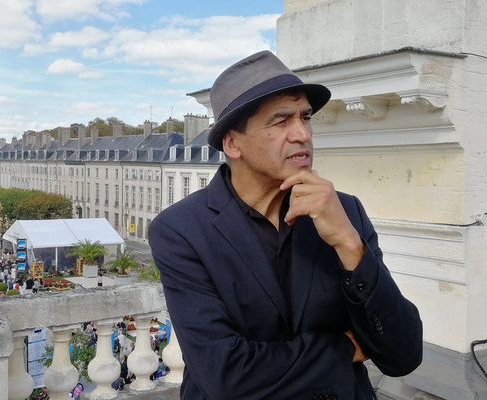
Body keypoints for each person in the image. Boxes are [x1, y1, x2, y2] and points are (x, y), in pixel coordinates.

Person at [148, 50, 423, 400]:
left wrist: (350, 245)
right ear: (233, 143)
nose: (302, 134)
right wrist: (343, 349)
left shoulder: (345, 212)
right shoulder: (181, 230)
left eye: (305, 118)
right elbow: (225, 374)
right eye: (281, 121)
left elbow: (404, 354)